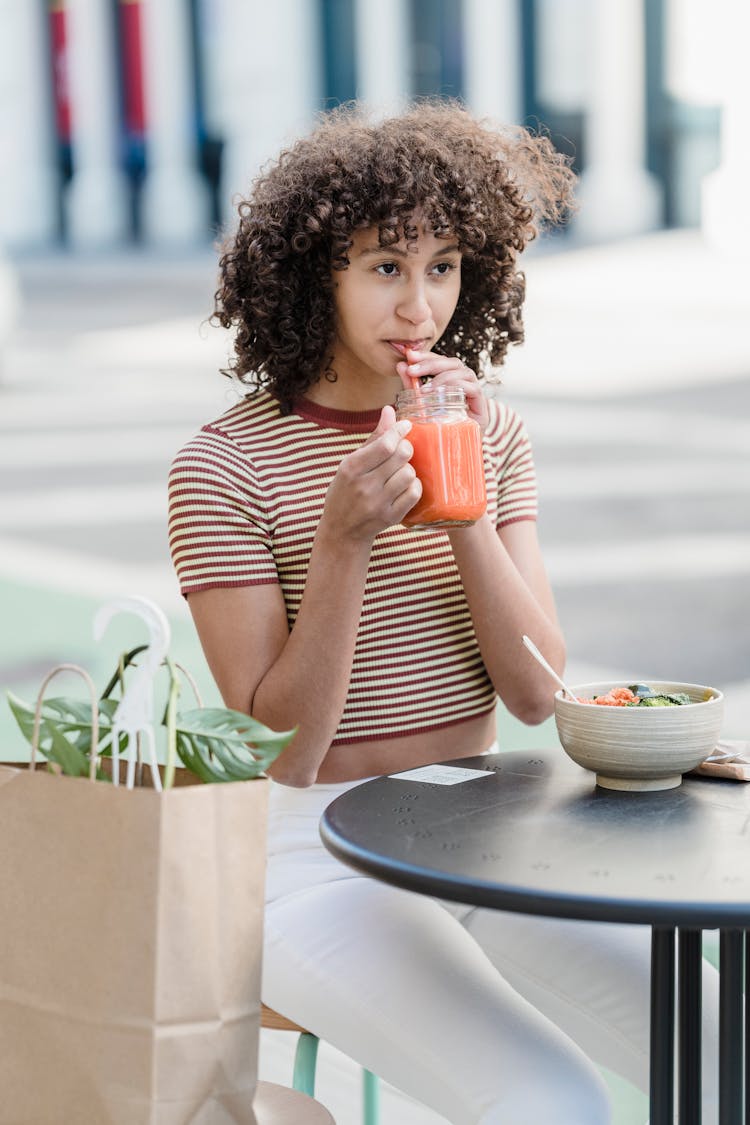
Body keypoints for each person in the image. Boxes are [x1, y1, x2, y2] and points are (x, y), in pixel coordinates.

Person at [168, 102, 718, 1124]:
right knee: (550, 1102)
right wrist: (343, 541)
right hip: (312, 854)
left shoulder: (491, 428)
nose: (419, 306)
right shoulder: (223, 468)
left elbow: (537, 692)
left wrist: (458, 503)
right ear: (312, 276)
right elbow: (280, 752)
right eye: (384, 267)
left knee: (722, 1054)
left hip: (487, 829)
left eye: (445, 266)